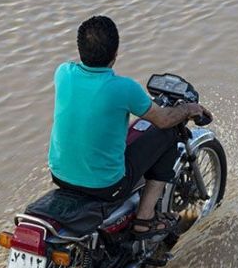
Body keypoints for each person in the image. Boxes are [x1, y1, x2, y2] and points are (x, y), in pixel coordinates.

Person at [48, 15, 210, 234]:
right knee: (169, 133)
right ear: (115, 53)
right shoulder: (124, 88)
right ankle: (145, 219)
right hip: (107, 186)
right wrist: (188, 109)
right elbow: (163, 119)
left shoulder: (63, 73)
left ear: (80, 50)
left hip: (60, 175)